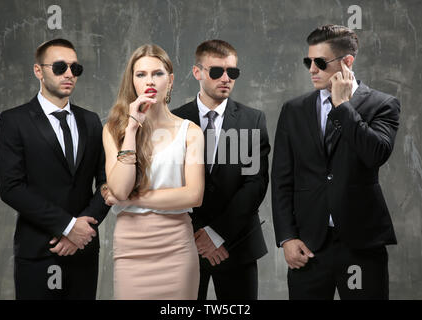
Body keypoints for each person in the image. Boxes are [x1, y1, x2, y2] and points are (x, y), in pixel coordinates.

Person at [271, 25, 401, 300]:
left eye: (320, 62)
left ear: (347, 62)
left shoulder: (383, 104)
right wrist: (287, 237)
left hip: (362, 244)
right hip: (309, 246)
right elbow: (282, 179)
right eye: (309, 62)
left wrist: (343, 107)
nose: (312, 69)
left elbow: (376, 153)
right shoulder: (294, 110)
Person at [0, 38, 110, 299]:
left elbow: (106, 182)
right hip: (39, 250)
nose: (69, 74)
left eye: (75, 68)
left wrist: (83, 230)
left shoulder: (91, 121)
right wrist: (68, 226)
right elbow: (11, 187)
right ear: (39, 71)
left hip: (84, 250)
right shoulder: (14, 120)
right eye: (60, 67)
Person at [101, 44, 204, 300]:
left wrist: (131, 199)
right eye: (141, 74)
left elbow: (193, 195)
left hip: (176, 248)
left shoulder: (190, 131)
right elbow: (121, 187)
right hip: (131, 249)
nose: (149, 81)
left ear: (170, 80)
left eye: (157, 74)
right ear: (132, 81)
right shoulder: (114, 129)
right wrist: (133, 127)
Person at [172, 39, 270, 300]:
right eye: (216, 71)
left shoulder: (253, 119)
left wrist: (216, 234)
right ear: (197, 72)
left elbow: (255, 184)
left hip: (237, 245)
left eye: (232, 72)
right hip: (186, 244)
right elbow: (170, 183)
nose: (225, 78)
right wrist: (199, 233)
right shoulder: (175, 121)